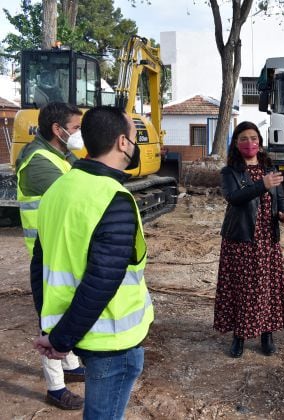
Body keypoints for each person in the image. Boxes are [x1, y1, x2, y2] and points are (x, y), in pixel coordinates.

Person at [31, 106, 153, 419]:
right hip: (112, 340)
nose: (136, 144)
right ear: (123, 143)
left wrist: (54, 332)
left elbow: (39, 265)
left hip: (78, 331)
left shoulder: (59, 188)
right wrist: (60, 340)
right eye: (135, 137)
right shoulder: (113, 198)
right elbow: (102, 282)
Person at [16, 102, 85, 410]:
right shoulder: (38, 162)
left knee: (65, 311)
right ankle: (55, 388)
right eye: (76, 128)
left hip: (62, 250)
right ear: (58, 130)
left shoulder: (59, 154)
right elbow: (80, 195)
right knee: (51, 318)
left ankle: (69, 366)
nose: (79, 134)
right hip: (46, 255)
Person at [214, 121, 284, 358]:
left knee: (266, 287)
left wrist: (283, 212)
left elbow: (281, 196)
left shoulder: (269, 168)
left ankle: (267, 333)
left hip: (267, 240)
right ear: (236, 144)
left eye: (254, 138)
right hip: (240, 240)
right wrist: (262, 185)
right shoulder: (230, 173)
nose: (250, 143)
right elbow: (235, 197)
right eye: (244, 139)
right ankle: (239, 336)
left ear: (260, 141)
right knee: (241, 289)